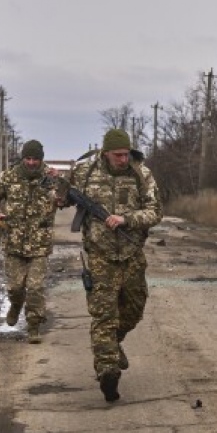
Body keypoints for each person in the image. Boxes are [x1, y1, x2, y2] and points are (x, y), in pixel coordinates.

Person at [63, 129, 161, 403]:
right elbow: (61, 200)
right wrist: (56, 186)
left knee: (134, 309)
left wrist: (126, 219)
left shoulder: (142, 174)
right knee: (104, 315)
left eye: (126, 153)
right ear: (105, 152)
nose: (122, 159)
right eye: (118, 154)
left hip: (131, 254)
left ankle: (111, 345)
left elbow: (156, 211)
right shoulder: (84, 172)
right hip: (99, 255)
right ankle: (108, 371)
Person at [0, 139, 58, 344]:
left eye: (35, 159)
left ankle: (33, 327)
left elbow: (65, 198)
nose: (32, 162)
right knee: (15, 288)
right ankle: (16, 305)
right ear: (23, 158)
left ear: (41, 159)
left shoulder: (50, 178)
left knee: (35, 288)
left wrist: (60, 181)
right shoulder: (10, 176)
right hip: (14, 242)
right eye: (28, 158)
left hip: (40, 244)